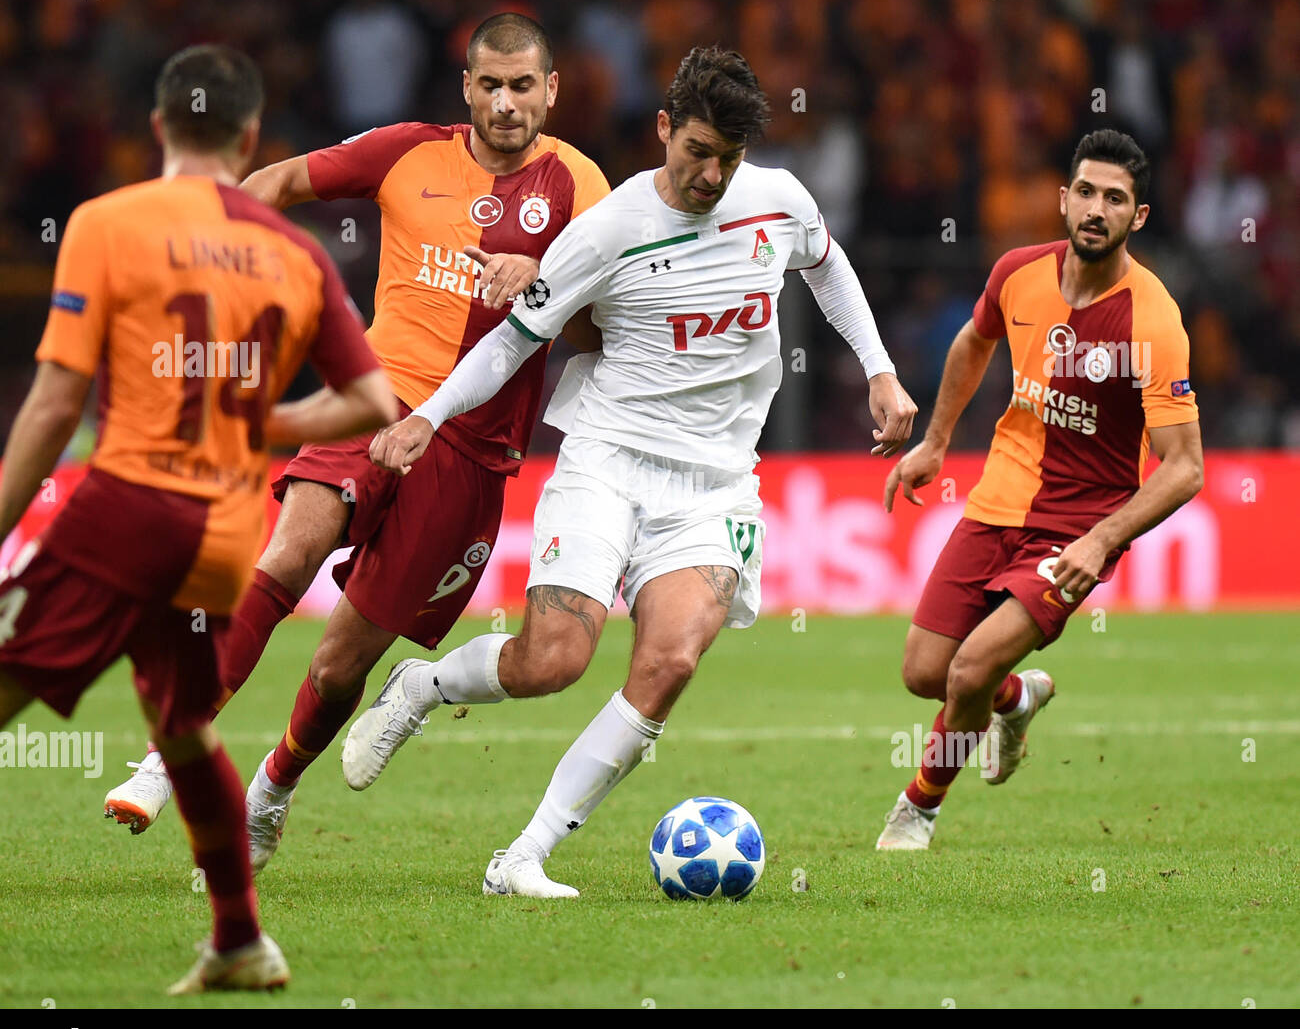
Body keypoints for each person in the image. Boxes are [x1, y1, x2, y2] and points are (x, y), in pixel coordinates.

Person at [344, 46, 918, 897]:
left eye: (727, 158)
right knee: (554, 662)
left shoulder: (779, 200)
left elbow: (826, 263)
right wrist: (428, 416)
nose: (710, 175)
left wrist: (878, 367)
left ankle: (524, 856)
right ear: (663, 131)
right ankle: (423, 684)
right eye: (695, 152)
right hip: (607, 462)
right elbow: (513, 341)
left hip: (717, 482)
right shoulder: (607, 231)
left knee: (669, 665)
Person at [103, 13, 610, 871]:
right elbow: (278, 180)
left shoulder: (583, 188)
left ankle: (272, 788)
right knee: (290, 549)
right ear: (466, 87)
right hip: (376, 400)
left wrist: (549, 278)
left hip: (475, 455)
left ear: (551, 90)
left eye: (523, 86)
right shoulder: (408, 151)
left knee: (341, 668)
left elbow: (607, 323)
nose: (505, 102)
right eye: (489, 84)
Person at [0, 45, 396, 992]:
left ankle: (240, 942)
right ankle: (239, 944)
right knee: (181, 724)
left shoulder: (108, 222)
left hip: (129, 507)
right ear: (250, 135)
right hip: (222, 537)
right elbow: (374, 401)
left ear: (158, 127)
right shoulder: (294, 251)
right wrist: (262, 420)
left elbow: (57, 403)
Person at [874, 128, 1204, 850]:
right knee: (924, 672)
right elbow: (973, 340)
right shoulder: (1018, 272)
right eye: (1085, 191)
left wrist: (1103, 539)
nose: (1096, 208)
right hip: (998, 500)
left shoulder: (1153, 318)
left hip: (1075, 530)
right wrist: (935, 441)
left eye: (1115, 199)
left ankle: (919, 808)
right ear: (1063, 198)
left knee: (966, 670)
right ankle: (1016, 699)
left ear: (1137, 218)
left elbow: (1185, 466)